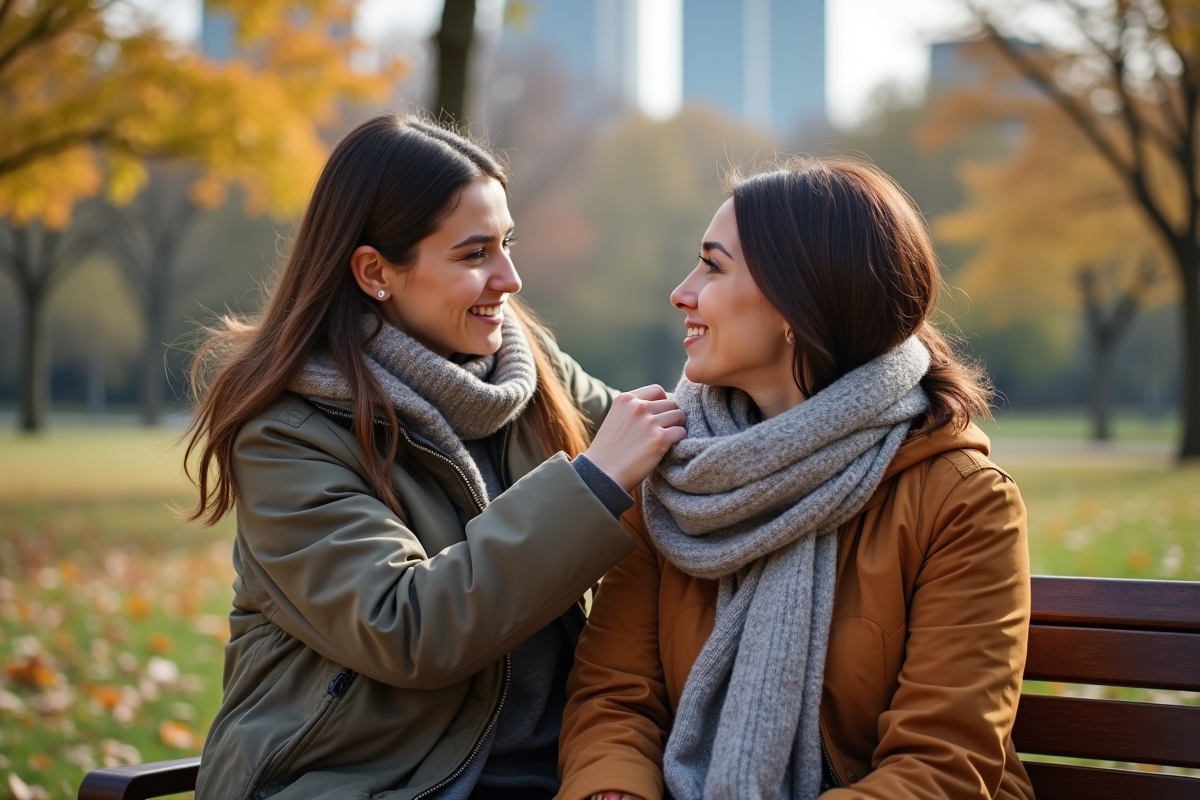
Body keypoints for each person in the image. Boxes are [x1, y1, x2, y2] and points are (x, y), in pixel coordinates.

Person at [182, 114, 686, 800]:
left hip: (555, 776)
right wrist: (592, 487)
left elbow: (677, 438)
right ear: (375, 272)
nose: (509, 278)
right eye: (474, 253)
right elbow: (406, 627)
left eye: (507, 244)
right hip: (365, 784)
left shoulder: (527, 369)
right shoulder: (286, 432)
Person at [558, 158, 1034, 800]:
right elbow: (614, 700)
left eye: (713, 266)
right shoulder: (672, 478)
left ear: (794, 306)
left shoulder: (963, 500)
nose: (682, 291)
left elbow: (942, 765)